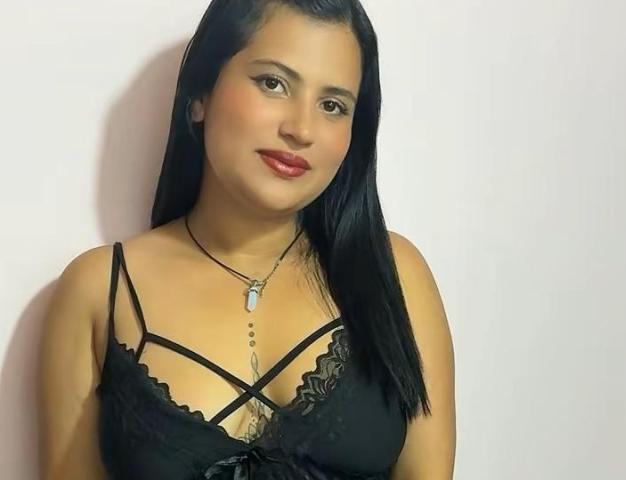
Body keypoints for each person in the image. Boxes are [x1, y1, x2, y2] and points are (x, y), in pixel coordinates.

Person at [38, 0, 456, 478]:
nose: (300, 129)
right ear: (201, 94)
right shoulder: (101, 291)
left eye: (332, 105)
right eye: (273, 83)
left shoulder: (396, 276)